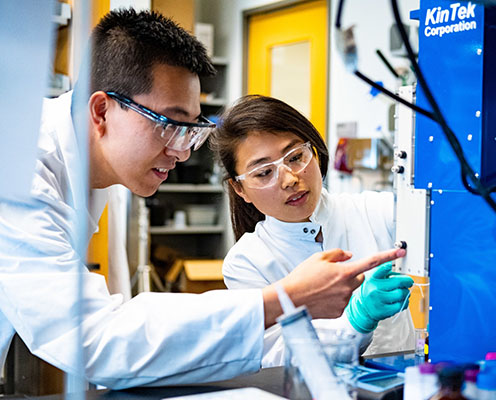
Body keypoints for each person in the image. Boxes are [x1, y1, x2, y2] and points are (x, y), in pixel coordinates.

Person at [0, 9, 404, 389]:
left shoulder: (91, 167)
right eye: (169, 125)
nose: (183, 150)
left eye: (191, 130)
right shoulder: (17, 167)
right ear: (102, 110)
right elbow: (90, 337)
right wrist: (288, 297)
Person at [210, 95, 415, 367]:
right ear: (240, 189)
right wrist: (356, 320)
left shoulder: (377, 211)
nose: (290, 179)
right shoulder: (247, 262)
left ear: (314, 152)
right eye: (263, 173)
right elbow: (276, 358)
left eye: (296, 157)